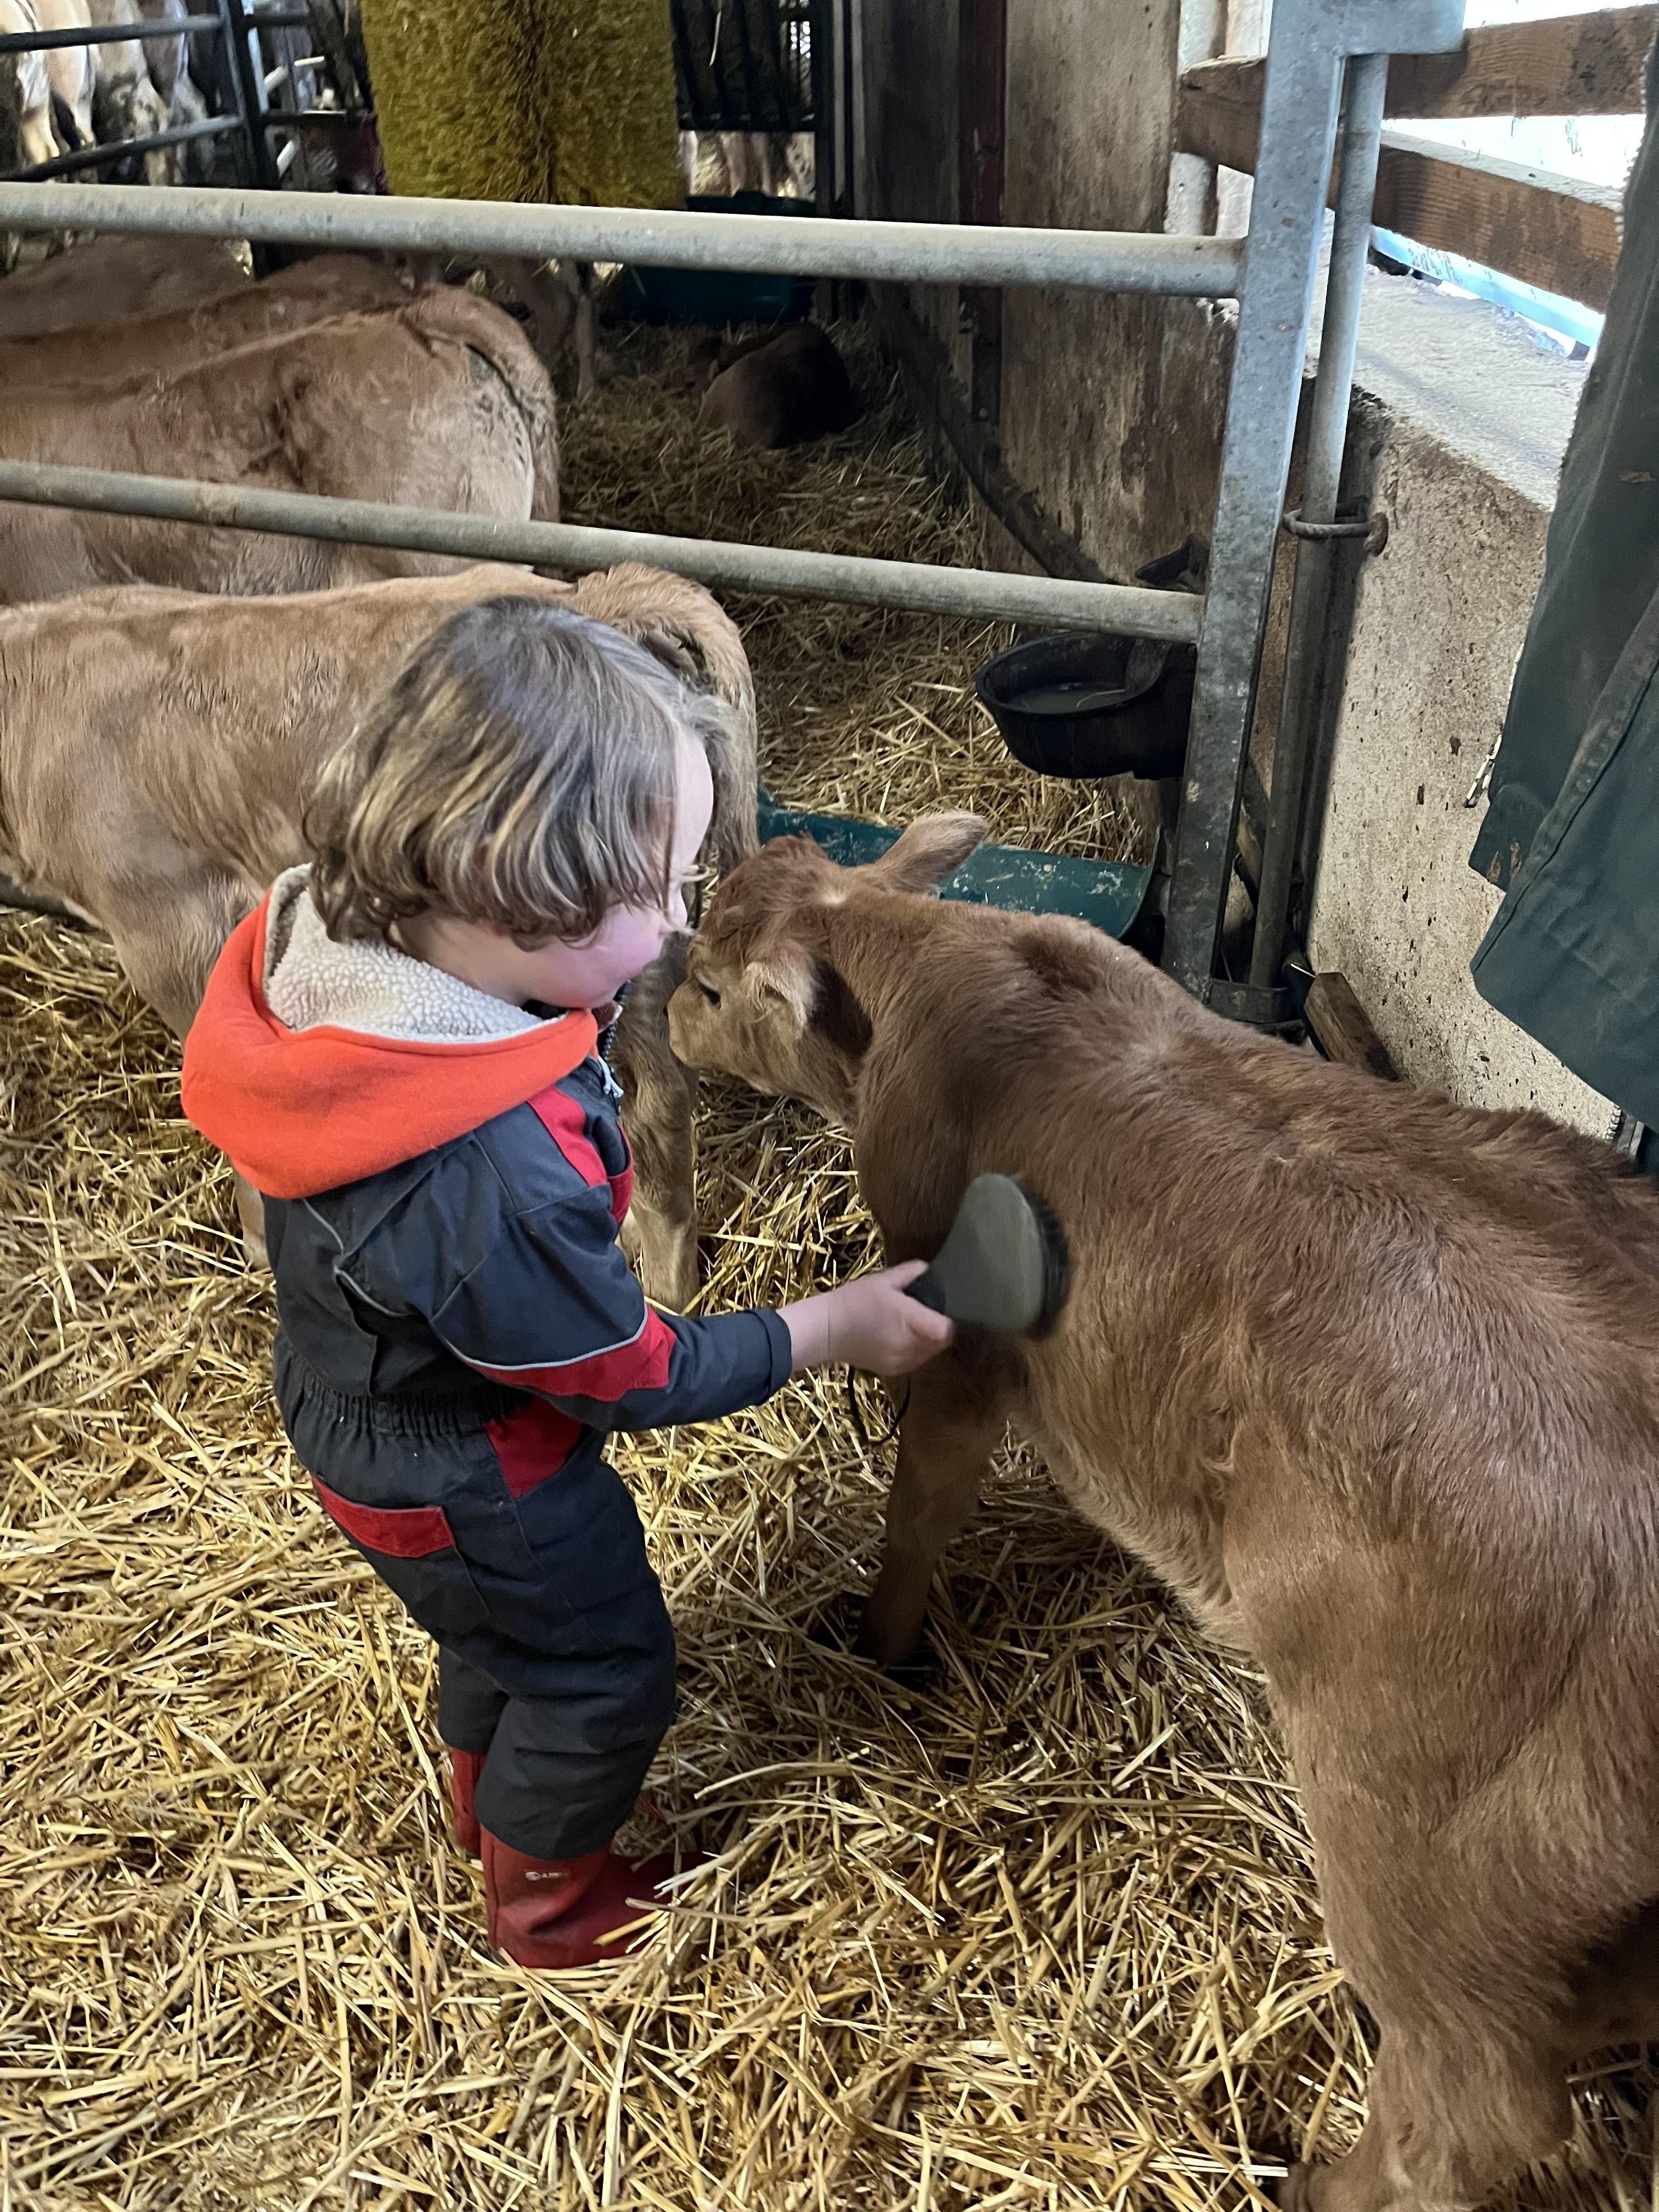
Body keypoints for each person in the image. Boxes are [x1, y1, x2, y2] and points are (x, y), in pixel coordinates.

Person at [180, 598, 953, 1969]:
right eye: (650, 891)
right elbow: (624, 1376)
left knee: (497, 1636)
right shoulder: (487, 1179)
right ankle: (549, 1904)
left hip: (367, 1399)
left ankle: (489, 1807)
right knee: (601, 1669)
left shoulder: (332, 958)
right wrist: (833, 1322)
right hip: (477, 1462)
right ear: (507, 888)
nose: (672, 929)